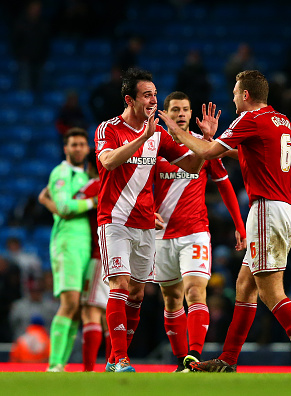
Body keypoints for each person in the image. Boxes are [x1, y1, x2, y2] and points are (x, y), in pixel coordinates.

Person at [159, 70, 291, 373]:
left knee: (271, 291)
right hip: (286, 209)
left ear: (246, 95)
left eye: (236, 92)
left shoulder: (248, 119)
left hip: (266, 210)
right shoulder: (280, 120)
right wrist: (214, 140)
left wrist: (177, 132)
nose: (233, 97)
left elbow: (208, 153)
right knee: (244, 285)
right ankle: (228, 360)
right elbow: (251, 155)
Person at [94, 67, 204, 373]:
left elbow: (192, 166)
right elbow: (107, 161)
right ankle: (121, 359)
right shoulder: (109, 129)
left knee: (139, 293)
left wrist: (205, 141)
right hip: (114, 220)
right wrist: (141, 139)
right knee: (120, 284)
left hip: (145, 223)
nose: (154, 100)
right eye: (147, 95)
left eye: (155, 94)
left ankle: (116, 357)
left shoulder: (158, 134)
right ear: (130, 99)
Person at [153, 91, 246, 372]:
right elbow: (136, 183)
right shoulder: (154, 144)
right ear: (165, 114)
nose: (181, 114)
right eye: (175, 109)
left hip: (195, 232)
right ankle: (181, 362)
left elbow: (224, 183)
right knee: (171, 299)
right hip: (161, 234)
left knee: (195, 291)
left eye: (185, 109)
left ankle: (193, 357)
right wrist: (144, 210)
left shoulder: (203, 146)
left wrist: (239, 226)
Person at [40, 152, 111, 372]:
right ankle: (115, 363)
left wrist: (46, 201)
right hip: (120, 252)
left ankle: (94, 368)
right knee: (109, 311)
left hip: (98, 254)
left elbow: (66, 209)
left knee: (91, 311)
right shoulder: (121, 183)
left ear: (90, 165)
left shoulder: (93, 185)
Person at [43, 128, 96, 372]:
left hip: (84, 244)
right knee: (69, 302)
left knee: (76, 309)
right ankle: (54, 363)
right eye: (72, 144)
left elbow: (55, 202)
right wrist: (91, 202)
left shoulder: (85, 177)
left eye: (81, 144)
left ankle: (61, 364)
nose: (77, 148)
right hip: (67, 243)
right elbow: (63, 206)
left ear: (87, 148)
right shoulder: (61, 172)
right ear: (66, 148)